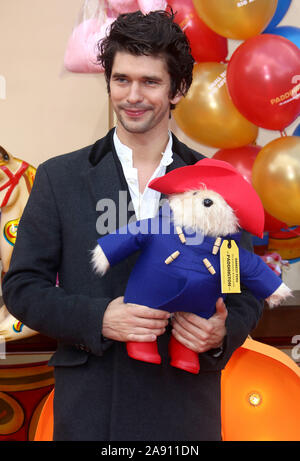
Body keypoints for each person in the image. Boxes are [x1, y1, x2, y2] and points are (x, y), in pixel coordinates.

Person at [2, 10, 263, 441]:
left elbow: (241, 286)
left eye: (150, 82)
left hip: (184, 410)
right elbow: (23, 288)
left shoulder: (218, 183)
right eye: (121, 79)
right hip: (90, 409)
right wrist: (100, 317)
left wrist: (222, 331)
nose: (132, 95)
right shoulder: (60, 177)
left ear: (179, 89)